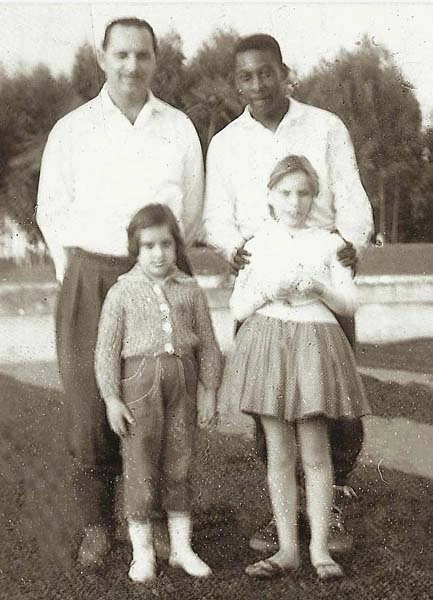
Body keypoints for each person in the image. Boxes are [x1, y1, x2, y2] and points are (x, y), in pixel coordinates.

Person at [36, 17, 204, 566]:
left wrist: (162, 266)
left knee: (156, 399)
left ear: (156, 60)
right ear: (102, 58)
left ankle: (153, 523)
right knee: (91, 401)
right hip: (91, 275)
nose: (133, 66)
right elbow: (51, 210)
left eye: (143, 56)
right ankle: (96, 525)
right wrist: (76, 276)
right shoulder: (73, 128)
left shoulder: (177, 127)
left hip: (158, 269)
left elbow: (192, 212)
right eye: (122, 55)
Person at [204, 33, 374, 553]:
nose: (257, 84)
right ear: (237, 82)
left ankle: (331, 503)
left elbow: (352, 198)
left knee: (332, 407)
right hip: (264, 279)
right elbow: (216, 216)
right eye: (246, 76)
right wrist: (236, 249)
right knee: (269, 404)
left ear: (284, 70)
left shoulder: (324, 125)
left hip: (320, 276)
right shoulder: (227, 141)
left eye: (266, 72)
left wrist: (348, 244)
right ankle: (285, 517)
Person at [219, 155, 370, 579]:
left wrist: (319, 286)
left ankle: (320, 550)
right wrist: (270, 288)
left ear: (314, 197)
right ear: (270, 195)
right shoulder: (256, 243)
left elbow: (348, 302)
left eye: (304, 193)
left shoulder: (326, 242)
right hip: (269, 343)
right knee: (280, 454)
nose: (295, 201)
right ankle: (287, 549)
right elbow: (238, 304)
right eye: (286, 192)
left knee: (317, 452)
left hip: (313, 344)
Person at [95, 204, 222, 582]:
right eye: (148, 245)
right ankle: (143, 552)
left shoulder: (190, 290)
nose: (158, 253)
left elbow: (210, 346)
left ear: (176, 246)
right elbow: (105, 349)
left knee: (179, 462)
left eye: (165, 244)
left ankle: (182, 548)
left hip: (182, 384)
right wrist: (112, 398)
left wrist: (210, 390)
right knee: (140, 466)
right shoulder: (122, 293)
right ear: (135, 249)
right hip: (137, 390)